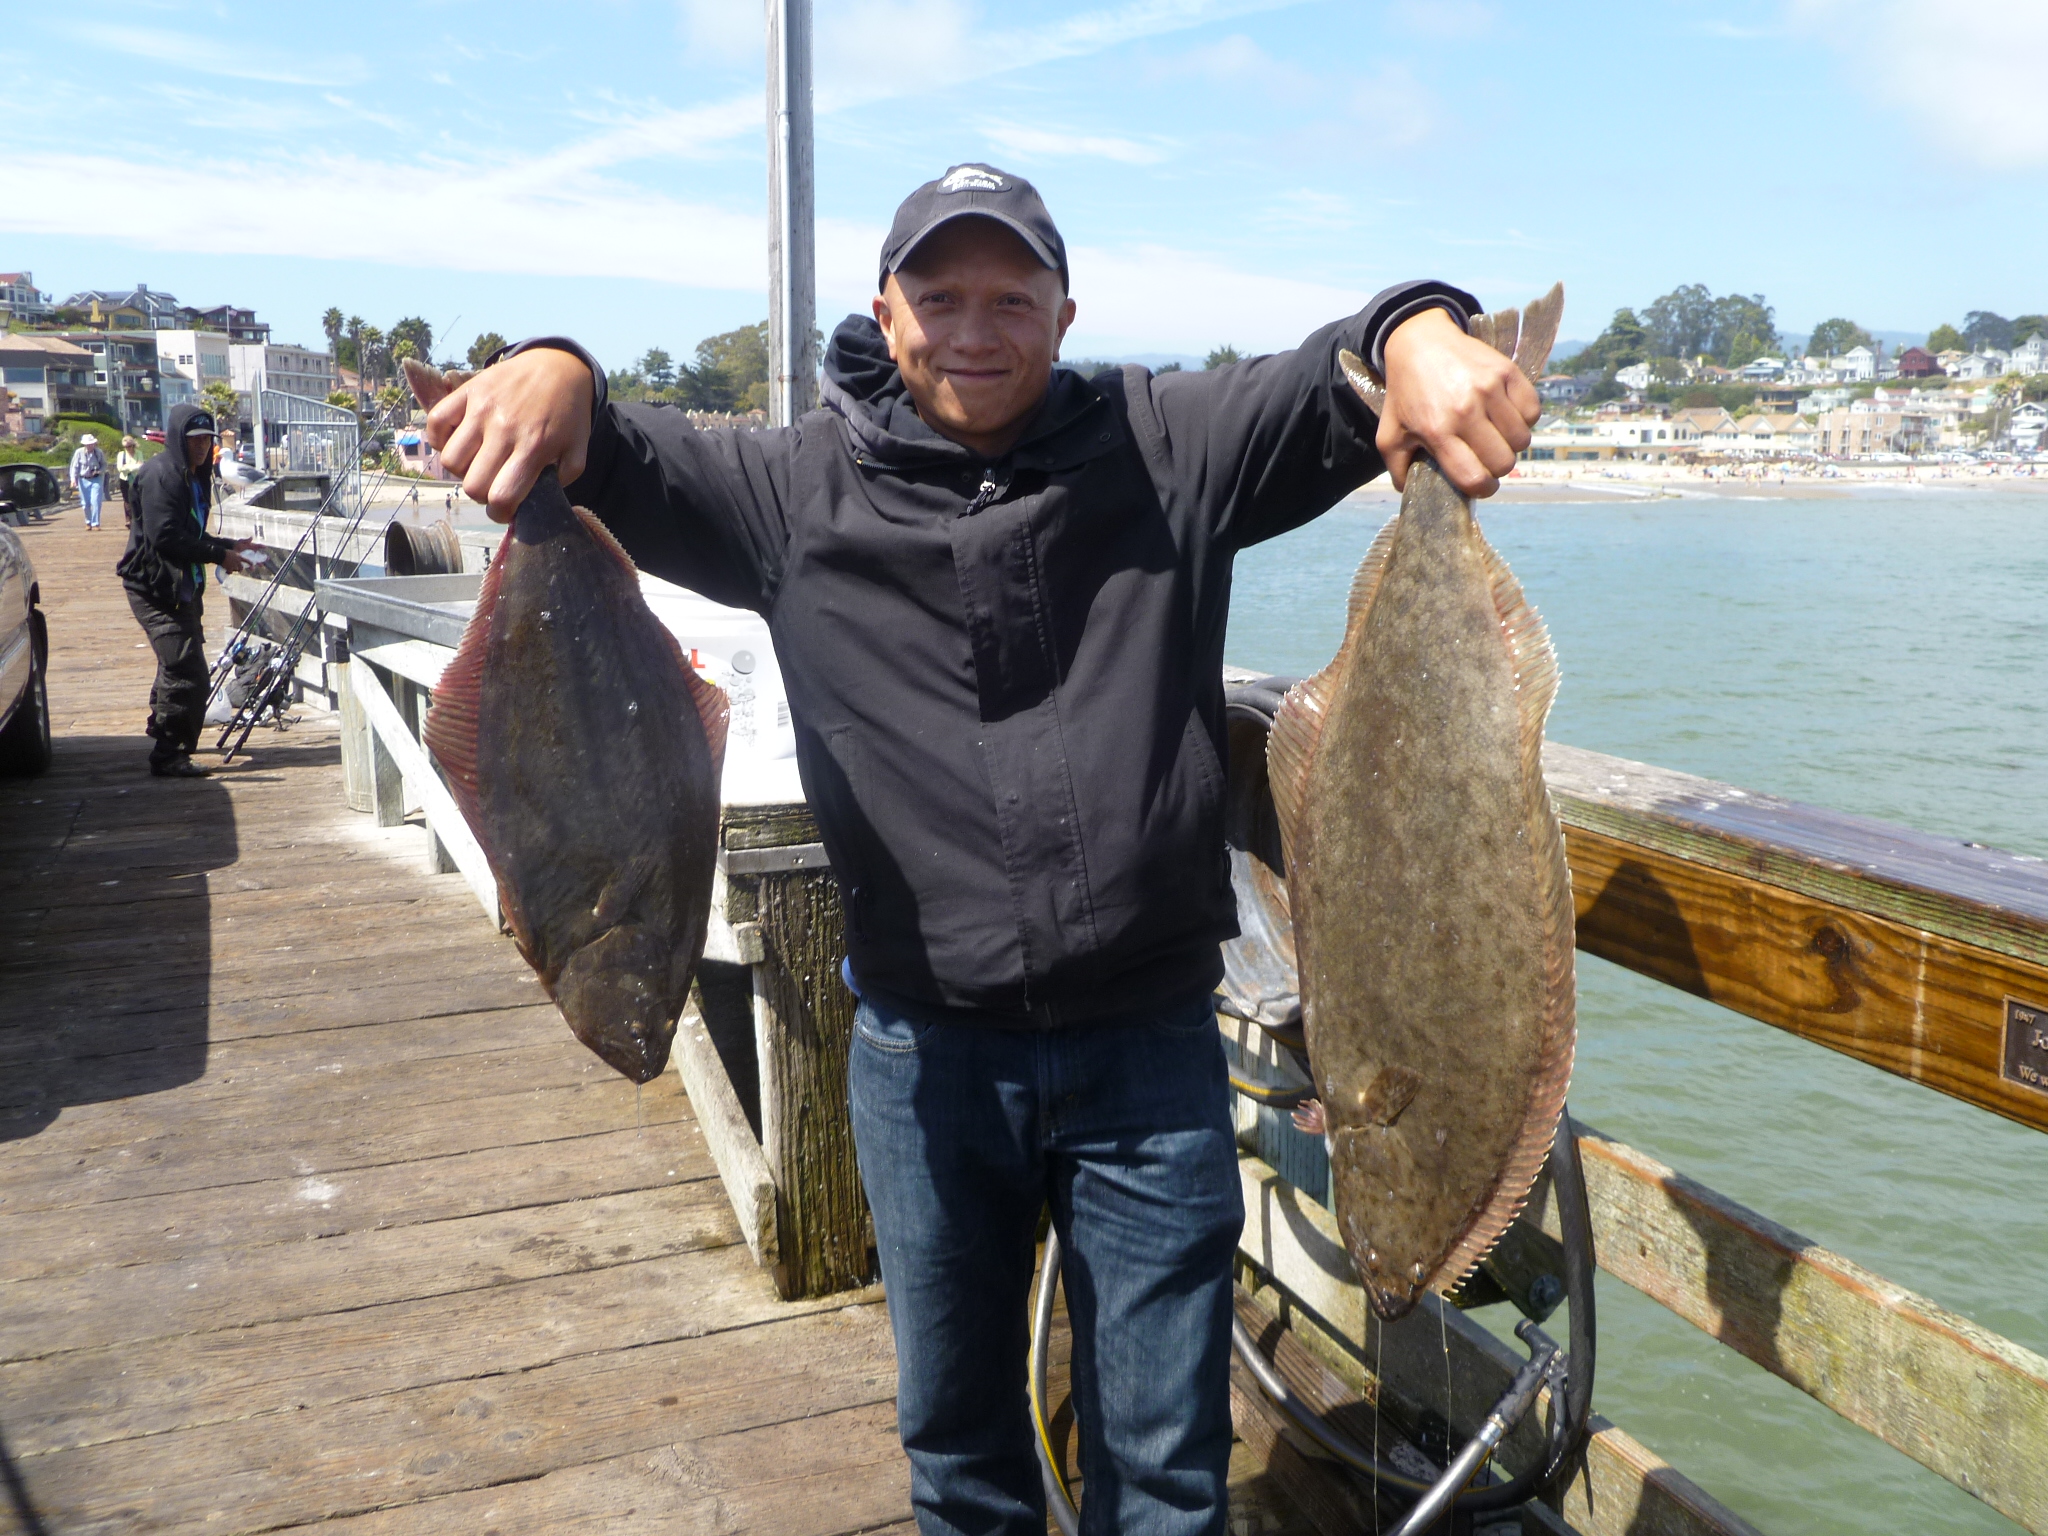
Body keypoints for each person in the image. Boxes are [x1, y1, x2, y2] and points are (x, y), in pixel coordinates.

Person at [424, 164, 1536, 1536]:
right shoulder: (789, 494)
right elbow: (605, 447)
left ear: (1066, 314)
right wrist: (555, 362)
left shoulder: (1168, 444)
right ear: (885, 315)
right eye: (939, 296)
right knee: (959, 1456)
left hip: (1146, 1056)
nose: (974, 327)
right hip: (924, 1058)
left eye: (1011, 296)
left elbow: (1338, 374)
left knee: (1166, 1467)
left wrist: (1424, 329)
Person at [116, 404, 259, 778]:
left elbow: (190, 533)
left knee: (178, 662)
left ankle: (163, 730)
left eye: (207, 439)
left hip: (180, 586)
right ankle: (169, 755)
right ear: (179, 439)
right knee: (187, 670)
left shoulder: (195, 476)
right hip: (153, 587)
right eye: (194, 439)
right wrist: (219, 555)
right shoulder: (162, 476)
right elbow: (164, 537)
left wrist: (229, 545)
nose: (201, 446)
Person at [69, 431, 108, 531]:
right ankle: (88, 522)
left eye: (91, 444)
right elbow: (74, 467)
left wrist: (100, 471)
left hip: (96, 479)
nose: (90, 445)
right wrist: (73, 479)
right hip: (83, 479)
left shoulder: (99, 452)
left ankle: (96, 523)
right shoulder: (79, 452)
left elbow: (104, 464)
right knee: (85, 503)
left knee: (96, 501)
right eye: (88, 444)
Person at [116, 434, 144, 528]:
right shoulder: (121, 454)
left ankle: (137, 518)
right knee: (127, 500)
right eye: (125, 447)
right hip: (125, 479)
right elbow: (120, 468)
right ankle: (129, 519)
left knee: (137, 498)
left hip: (136, 479)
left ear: (133, 445)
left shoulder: (138, 453)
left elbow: (141, 466)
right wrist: (134, 466)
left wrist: (127, 467)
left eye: (129, 446)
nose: (127, 449)